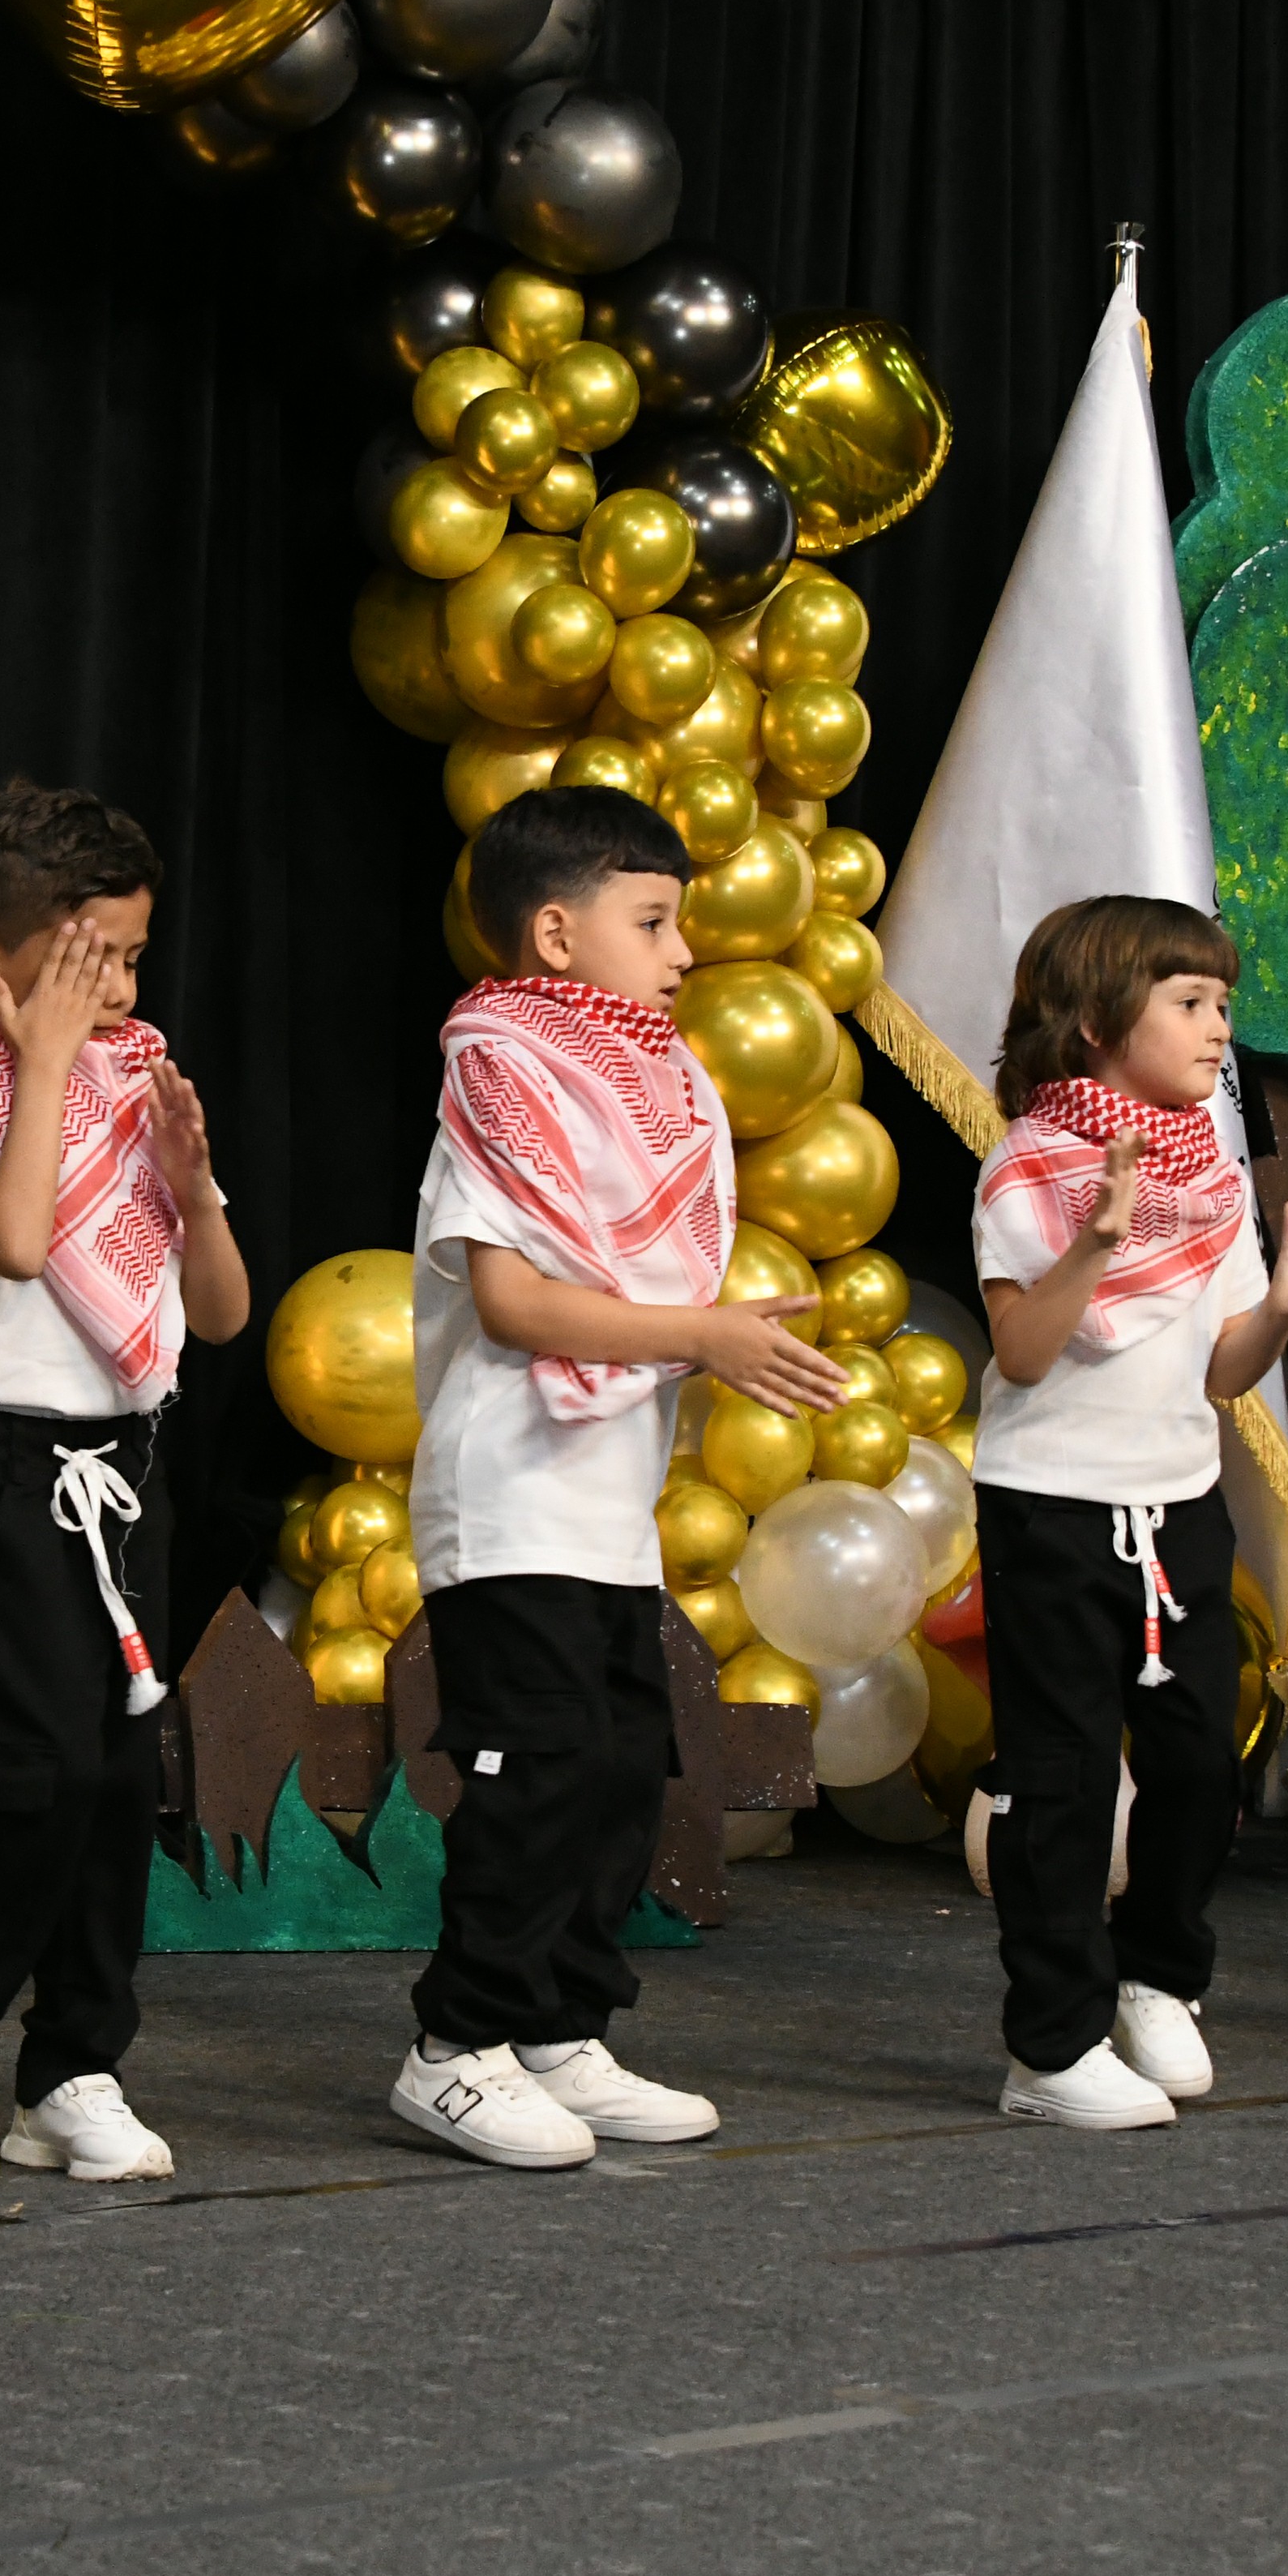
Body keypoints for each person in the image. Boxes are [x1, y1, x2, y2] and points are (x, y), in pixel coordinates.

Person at [387, 787, 839, 2167]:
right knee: (534, 1774)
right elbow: (519, 1304)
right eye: (652, 922)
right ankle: (457, 2048)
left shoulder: (661, 1087)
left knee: (621, 1767)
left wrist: (704, 1336)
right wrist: (703, 1335)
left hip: (605, 1507)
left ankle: (559, 2028)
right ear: (554, 933)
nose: (683, 953)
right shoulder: (499, 1072)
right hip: (511, 1493)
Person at [0, 779, 251, 2186]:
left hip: (125, 1457)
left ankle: (75, 2064)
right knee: (35, 1758)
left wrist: (191, 1188)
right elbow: (17, 1241)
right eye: (91, 961)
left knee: (121, 1770)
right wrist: (44, 1066)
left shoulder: (131, 1084)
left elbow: (219, 1315)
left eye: (132, 960)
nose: (121, 991)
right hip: (0, 1454)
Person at [967, 896, 1288, 2127]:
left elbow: (1220, 1374)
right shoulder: (1028, 1165)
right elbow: (1024, 1352)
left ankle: (1157, 1978)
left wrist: (1282, 1311)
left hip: (1179, 1505)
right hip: (1053, 1511)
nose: (1218, 1028)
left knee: (1202, 1761)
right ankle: (1050, 2048)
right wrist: (1095, 1243)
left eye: (1223, 1004)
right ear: (1099, 1022)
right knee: (1063, 1781)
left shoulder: (1206, 1168)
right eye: (1191, 1002)